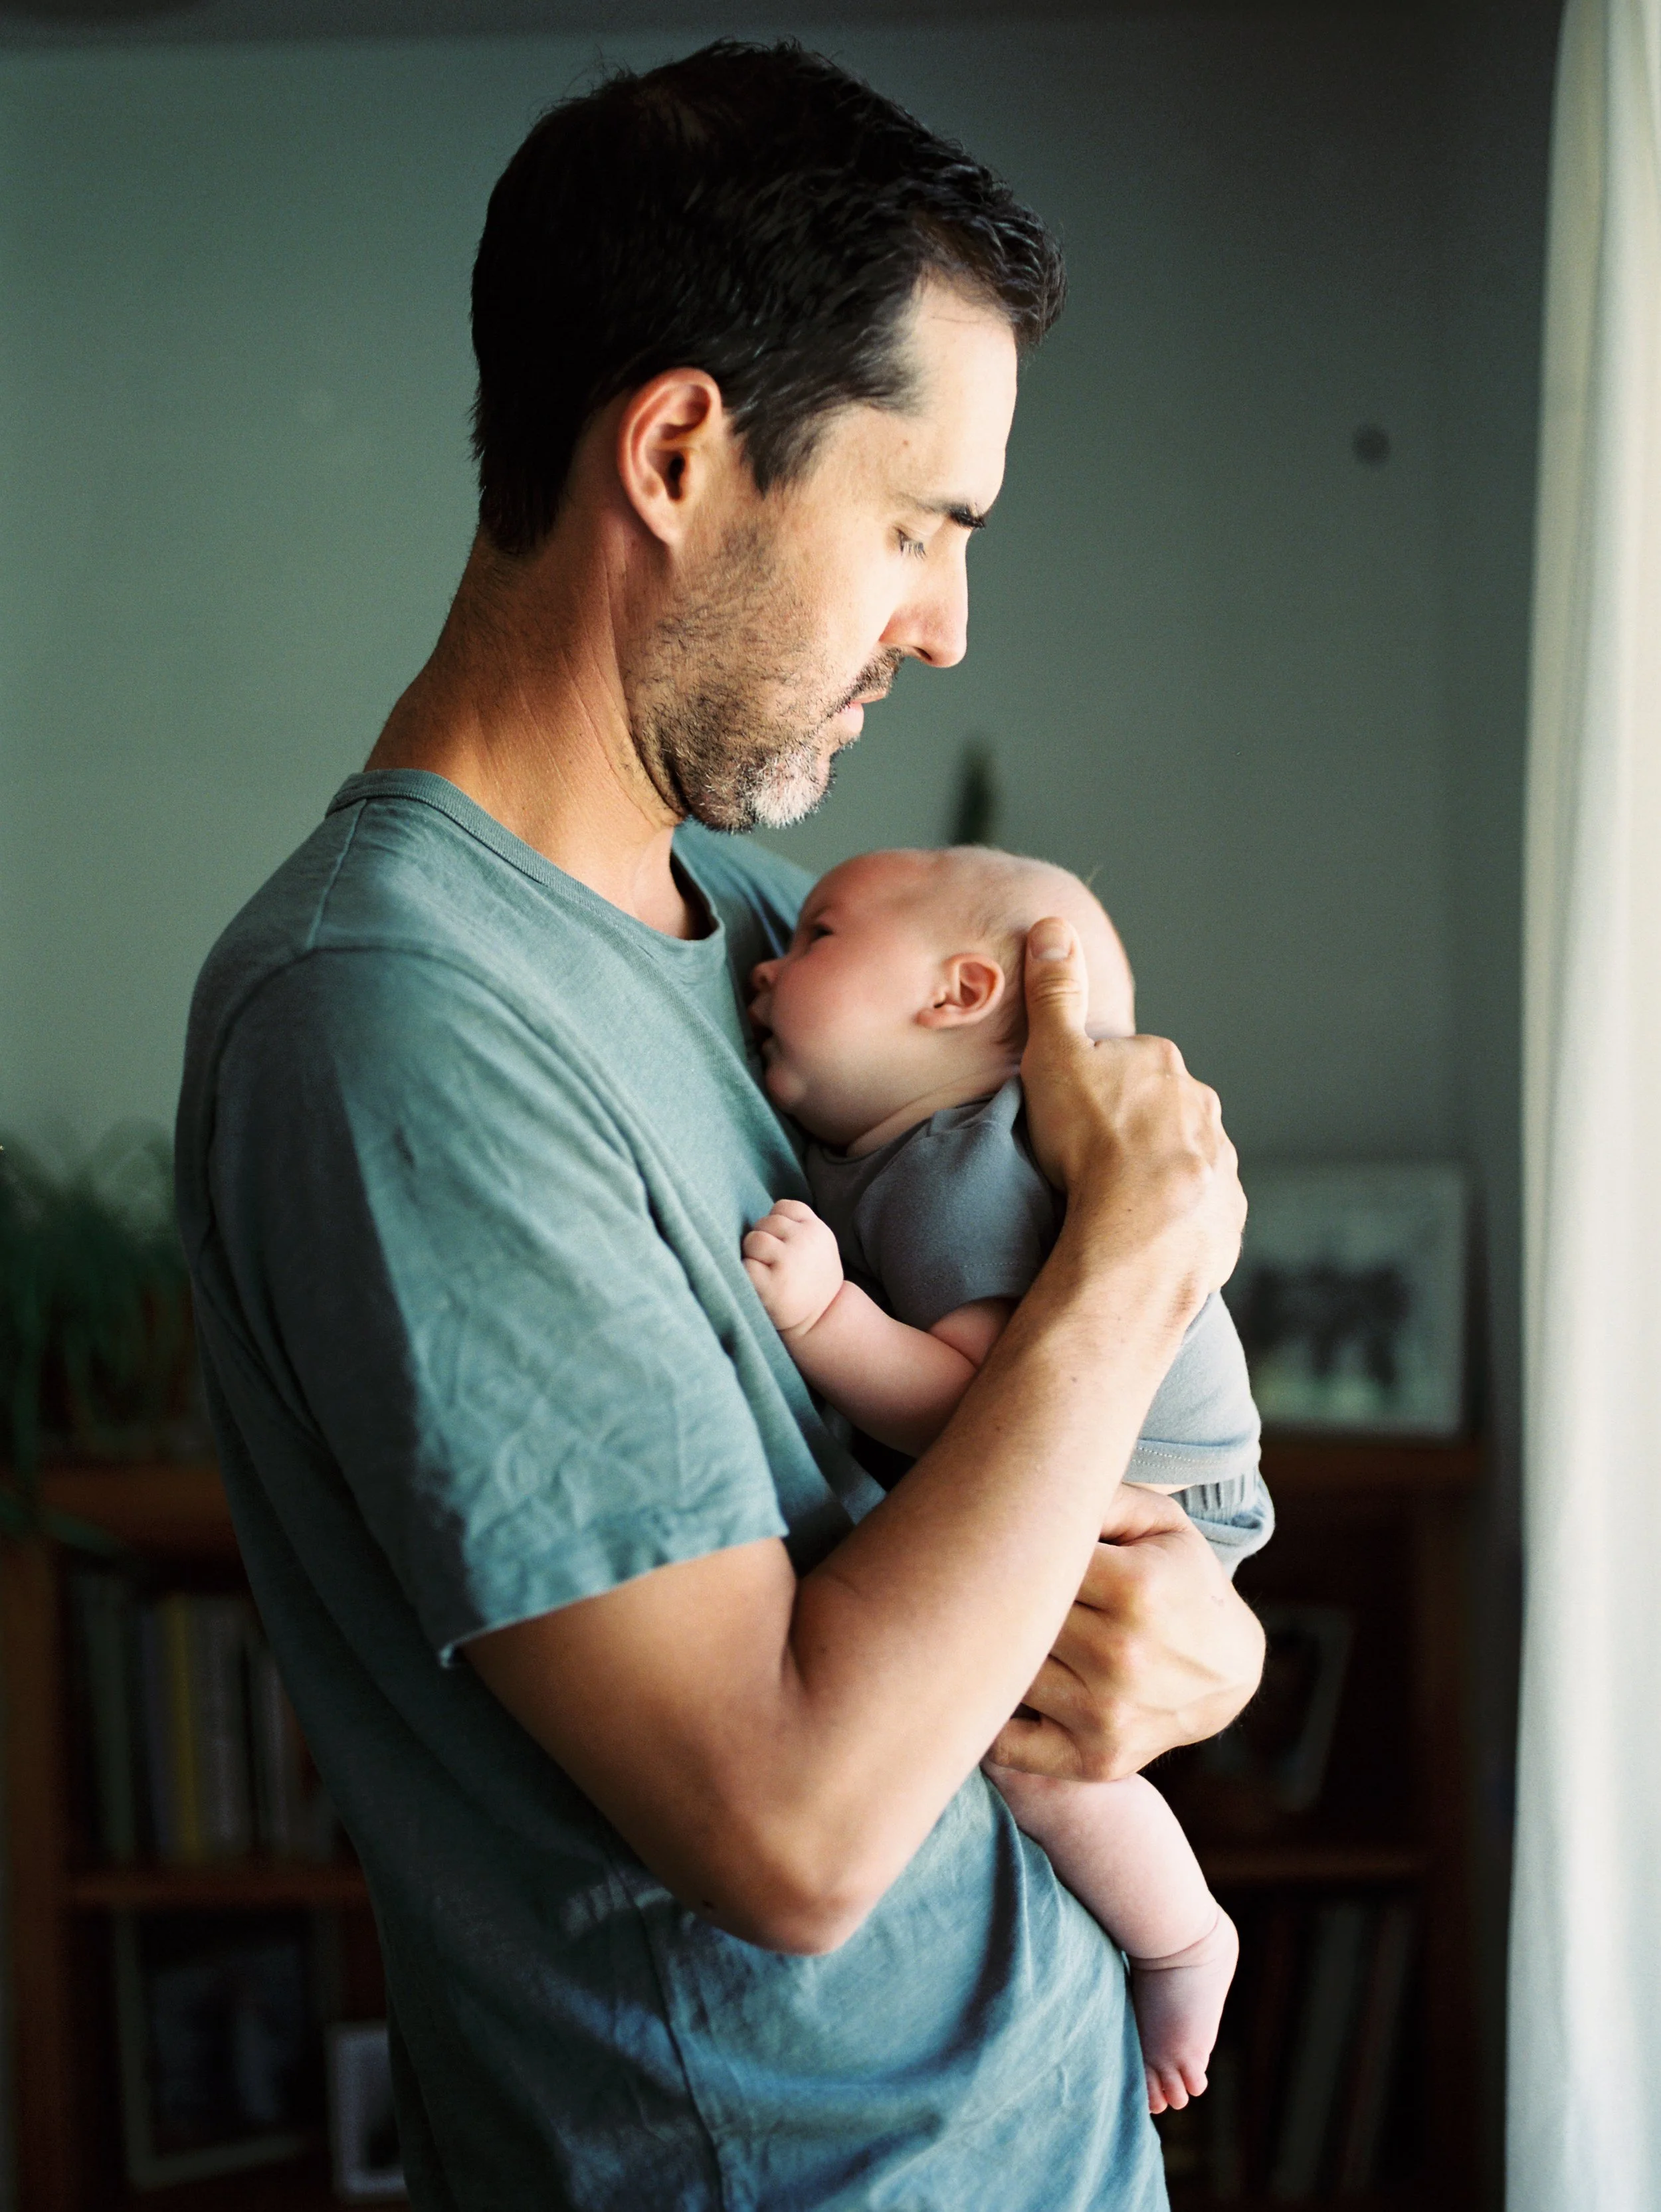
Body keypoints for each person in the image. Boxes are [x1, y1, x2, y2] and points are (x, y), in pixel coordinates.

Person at [174, 42, 1264, 2211]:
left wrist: (1192, 1649)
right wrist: (1139, 1267)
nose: (946, 626)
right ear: (678, 452)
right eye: (918, 526)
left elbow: (1108, 1517)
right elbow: (794, 1827)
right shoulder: (394, 1019)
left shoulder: (780, 946)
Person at [741, 843, 1272, 2114]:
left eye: (817, 936)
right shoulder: (895, 1156)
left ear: (960, 990)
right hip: (1118, 1475)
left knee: (1019, 1744)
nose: (766, 962)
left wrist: (826, 1325)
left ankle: (1188, 1934)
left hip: (1157, 1505)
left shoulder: (959, 1162)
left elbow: (978, 1417)